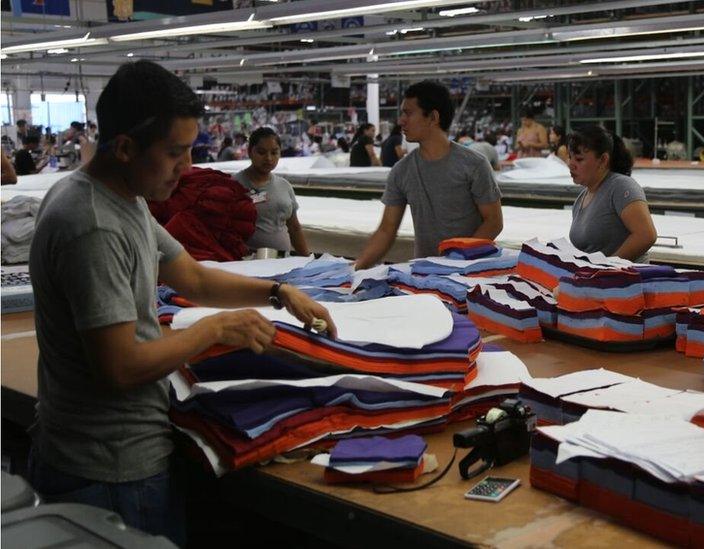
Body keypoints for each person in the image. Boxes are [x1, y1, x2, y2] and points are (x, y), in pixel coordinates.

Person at [27, 60, 335, 545]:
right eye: (175, 153)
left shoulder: (121, 198)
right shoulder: (93, 224)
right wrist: (212, 331)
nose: (188, 168)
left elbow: (190, 275)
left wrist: (279, 292)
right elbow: (121, 366)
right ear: (125, 148)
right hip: (109, 473)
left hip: (107, 461)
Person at [355, 80, 503, 269]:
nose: (401, 120)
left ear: (433, 117)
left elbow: (494, 222)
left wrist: (459, 260)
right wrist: (356, 269)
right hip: (425, 273)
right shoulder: (402, 171)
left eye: (408, 113)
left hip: (471, 272)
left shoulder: (474, 164)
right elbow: (386, 230)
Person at [566, 125, 656, 260]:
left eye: (579, 159)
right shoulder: (581, 198)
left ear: (603, 160)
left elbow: (646, 235)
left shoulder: (621, 186)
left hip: (624, 278)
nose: (570, 164)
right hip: (596, 277)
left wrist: (608, 266)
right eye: (570, 157)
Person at [233, 127, 311, 256]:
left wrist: (307, 260)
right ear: (249, 152)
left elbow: (294, 228)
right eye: (261, 152)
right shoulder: (234, 185)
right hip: (246, 262)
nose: (269, 158)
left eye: (274, 152)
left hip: (282, 261)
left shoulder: (284, 186)